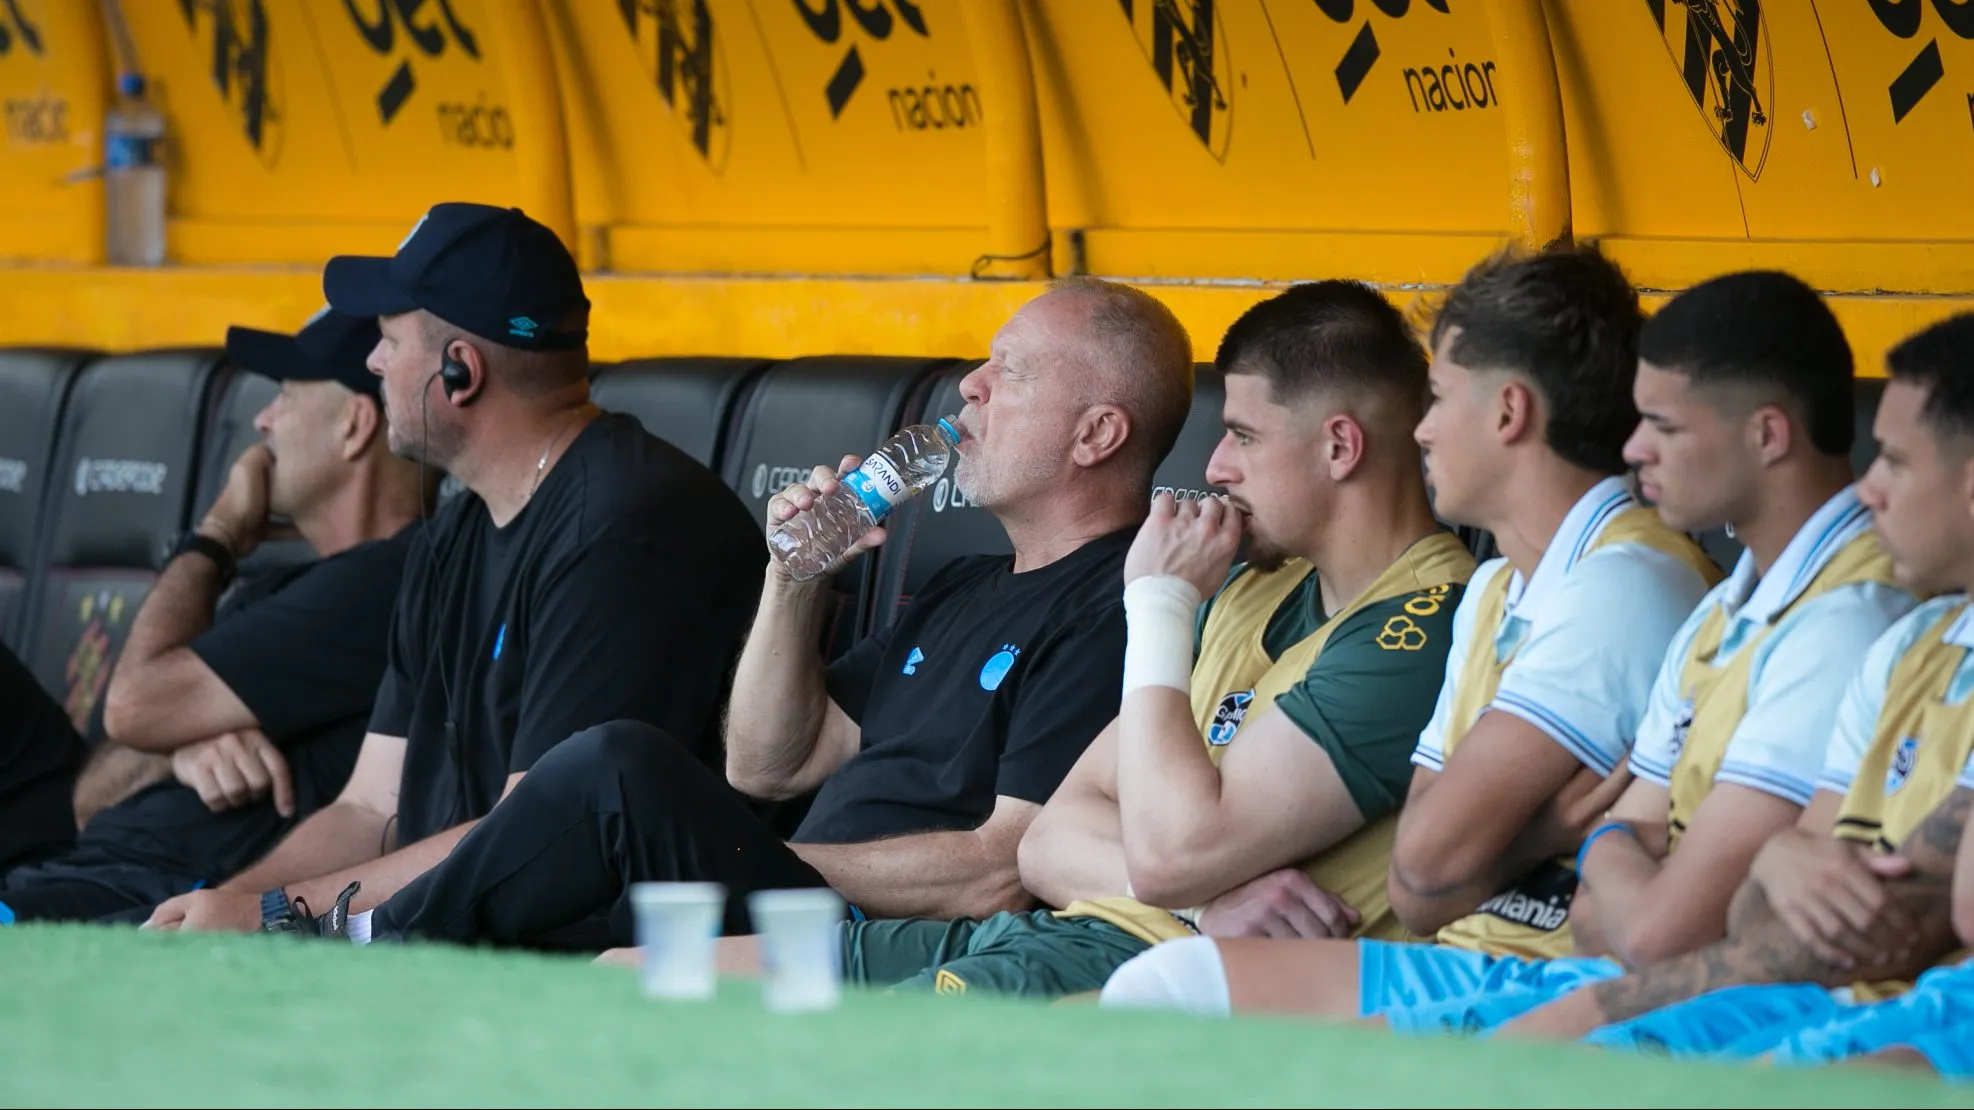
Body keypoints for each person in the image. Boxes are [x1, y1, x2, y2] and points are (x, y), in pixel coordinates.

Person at [317, 275, 1196, 949]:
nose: (970, 386)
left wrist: (734, 853)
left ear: (1097, 435)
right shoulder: (966, 584)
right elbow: (769, 764)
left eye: (1010, 371)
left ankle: (359, 942)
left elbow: (999, 869)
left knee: (620, 765)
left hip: (875, 941)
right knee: (600, 829)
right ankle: (365, 945)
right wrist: (796, 577)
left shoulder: (1119, 602)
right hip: (775, 897)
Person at [712, 280, 1477, 997]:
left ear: (1340, 448)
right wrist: (794, 572)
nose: (1214, 468)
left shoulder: (1421, 622)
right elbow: (1049, 844)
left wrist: (1157, 602)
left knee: (631, 793)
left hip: (1159, 972)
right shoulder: (1251, 590)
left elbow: (1148, 854)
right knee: (626, 970)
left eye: (1241, 436)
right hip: (1062, 936)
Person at [1097, 245, 1721, 1016]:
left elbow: (1425, 872)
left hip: (1549, 978)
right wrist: (1528, 834)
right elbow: (1421, 878)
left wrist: (1502, 843)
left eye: (1440, 397)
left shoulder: (1625, 581)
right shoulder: (1497, 584)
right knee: (1153, 993)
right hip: (1457, 954)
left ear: (1508, 412)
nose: (1420, 431)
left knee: (1153, 1003)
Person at [1289, 271, 1920, 1033]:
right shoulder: (1723, 606)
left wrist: (1605, 840)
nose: (1635, 447)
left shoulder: (1839, 616)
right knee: (1173, 989)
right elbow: (1427, 889)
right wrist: (1585, 838)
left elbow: (1656, 932)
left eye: (1665, 426)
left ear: (1766, 434)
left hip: (1692, 996)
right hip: (1591, 970)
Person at [143, 202, 765, 935]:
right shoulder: (457, 530)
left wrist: (274, 917)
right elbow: (368, 808)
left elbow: (534, 838)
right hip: (442, 938)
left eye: (386, 340)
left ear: (458, 370)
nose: (370, 363)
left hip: (585, 968)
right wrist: (219, 912)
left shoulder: (627, 526)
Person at [1491, 314, 1974, 1079]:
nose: (1870, 486)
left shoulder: (1853, 617)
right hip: (1823, 998)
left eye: (1897, 461)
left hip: (1891, 1013)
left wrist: (1773, 864)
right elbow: (1742, 917)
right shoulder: (1913, 641)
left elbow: (1674, 935)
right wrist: (1779, 855)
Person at [0, 307, 426, 921]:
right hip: (74, 874)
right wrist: (175, 751)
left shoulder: (390, 580)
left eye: (284, 398)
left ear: (355, 426)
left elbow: (132, 704)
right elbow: (88, 798)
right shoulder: (276, 587)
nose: (262, 421)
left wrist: (217, 534)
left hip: (161, 899)